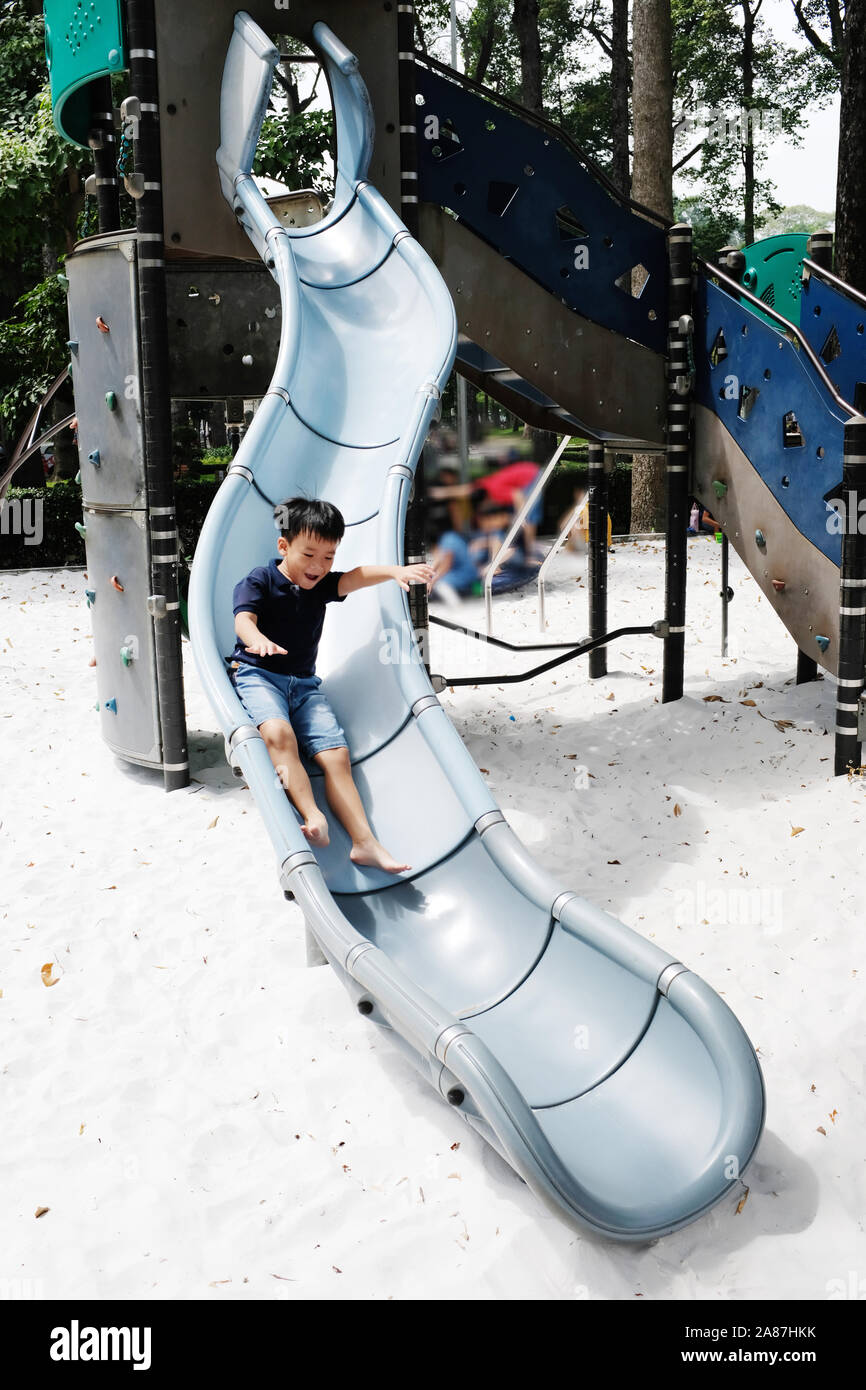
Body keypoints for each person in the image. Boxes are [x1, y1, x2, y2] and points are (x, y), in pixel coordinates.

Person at [231, 496, 434, 874]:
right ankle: (312, 813)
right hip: (259, 675)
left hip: (305, 685)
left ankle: (364, 842)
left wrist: (394, 572)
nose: (319, 566)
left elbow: (355, 576)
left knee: (336, 755)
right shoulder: (260, 579)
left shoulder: (321, 586)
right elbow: (244, 618)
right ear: (284, 546)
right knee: (279, 734)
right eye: (309, 554)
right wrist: (255, 638)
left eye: (328, 556)